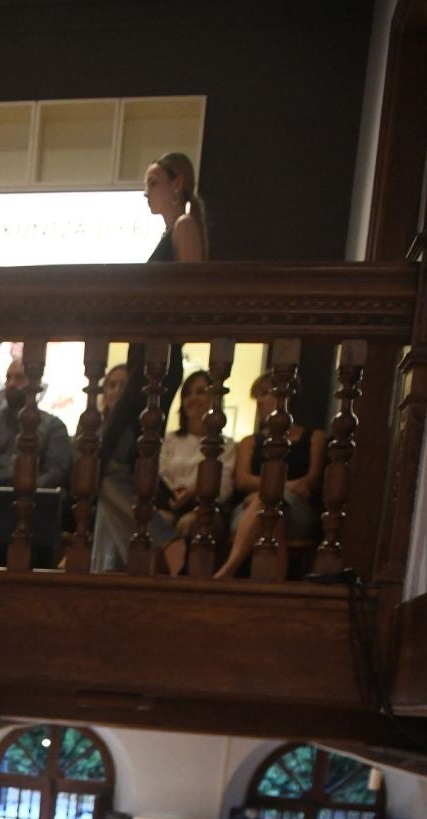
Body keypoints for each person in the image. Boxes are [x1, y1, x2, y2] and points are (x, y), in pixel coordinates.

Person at [92, 152, 208, 572]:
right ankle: (133, 564)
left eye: (153, 181)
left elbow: (191, 293)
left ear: (177, 182)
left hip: (158, 363)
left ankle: (168, 548)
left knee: (104, 462)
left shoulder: (183, 225)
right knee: (116, 461)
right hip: (147, 359)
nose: (146, 191)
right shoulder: (171, 231)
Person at [214, 372, 327, 578]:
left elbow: (311, 480)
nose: (259, 401)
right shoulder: (250, 441)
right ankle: (275, 584)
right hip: (250, 511)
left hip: (297, 511)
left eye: (265, 394)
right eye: (256, 396)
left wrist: (271, 490)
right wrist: (281, 487)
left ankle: (227, 570)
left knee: (269, 500)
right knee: (269, 503)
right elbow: (243, 479)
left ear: (285, 396)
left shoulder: (314, 437)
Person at [155, 369, 236, 572]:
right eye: (188, 393)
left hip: (204, 506)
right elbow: (162, 472)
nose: (193, 398)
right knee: (152, 521)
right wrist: (174, 494)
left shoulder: (227, 445)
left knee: (195, 523)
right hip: (169, 503)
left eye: (200, 392)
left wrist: (193, 492)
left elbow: (224, 485)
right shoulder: (171, 440)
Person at [0, 356, 72, 491]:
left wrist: (25, 492)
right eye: (8, 378)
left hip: (34, 500)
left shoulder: (54, 427)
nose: (11, 384)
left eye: (19, 378)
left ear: (36, 383)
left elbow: (55, 473)